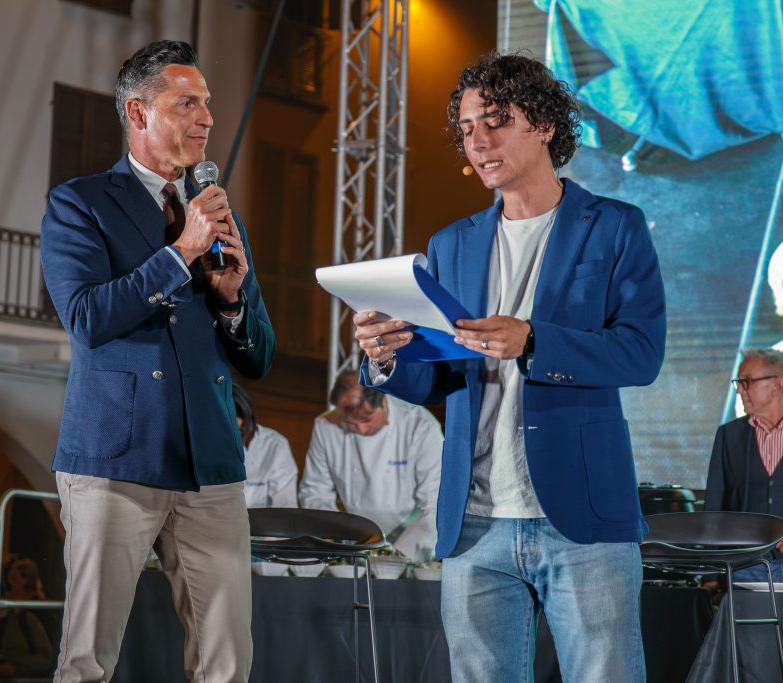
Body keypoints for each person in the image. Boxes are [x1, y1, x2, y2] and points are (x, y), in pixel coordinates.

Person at [352, 52, 666, 681]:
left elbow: (640, 352)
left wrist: (534, 341)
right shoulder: (451, 244)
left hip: (582, 518)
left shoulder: (614, 227)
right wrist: (386, 357)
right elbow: (439, 375)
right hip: (475, 524)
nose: (479, 141)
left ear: (544, 125)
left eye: (495, 121)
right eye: (468, 128)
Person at [40, 40, 275, 682]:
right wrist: (180, 254)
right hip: (115, 459)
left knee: (228, 662)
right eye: (187, 103)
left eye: (208, 104)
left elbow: (261, 357)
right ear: (138, 113)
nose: (207, 118)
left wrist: (232, 303)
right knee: (87, 660)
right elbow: (87, 318)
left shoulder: (217, 214)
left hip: (211, 464)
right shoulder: (80, 203)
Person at [705, 349, 783, 584]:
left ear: (777, 385)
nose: (739, 390)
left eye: (746, 382)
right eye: (738, 383)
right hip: (743, 569)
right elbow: (714, 508)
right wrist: (710, 575)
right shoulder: (728, 436)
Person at [299, 371, 443, 561]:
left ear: (384, 401)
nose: (360, 429)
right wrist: (330, 532)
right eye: (351, 423)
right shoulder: (326, 427)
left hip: (412, 538)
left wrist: (396, 558)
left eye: (366, 420)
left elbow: (435, 505)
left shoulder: (420, 426)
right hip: (357, 541)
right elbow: (315, 491)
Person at [233, 383, 297, 508]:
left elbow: (285, 506)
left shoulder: (275, 446)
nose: (236, 438)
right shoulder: (203, 446)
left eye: (240, 430)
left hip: (263, 520)